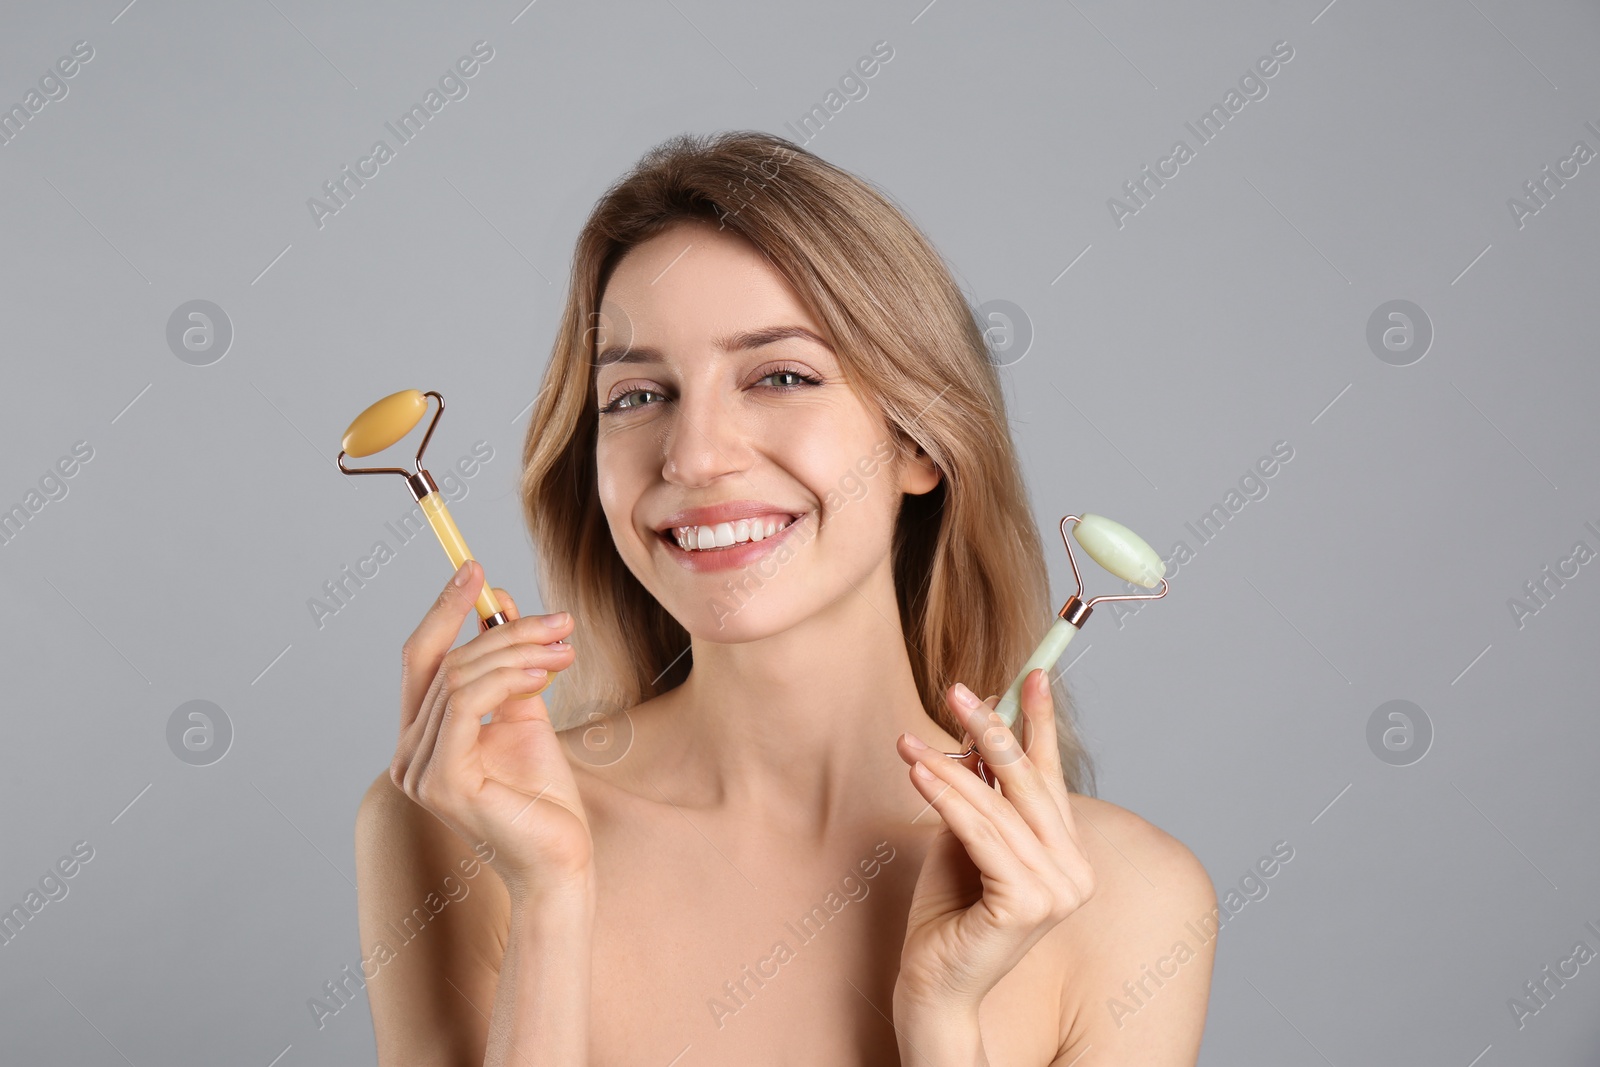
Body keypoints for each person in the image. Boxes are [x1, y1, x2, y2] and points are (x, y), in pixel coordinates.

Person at [355, 130, 1215, 1066]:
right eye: (638, 396)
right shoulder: (458, 823)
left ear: (920, 442)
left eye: (780, 376)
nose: (693, 456)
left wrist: (940, 1021)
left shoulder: (1128, 897)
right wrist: (552, 899)